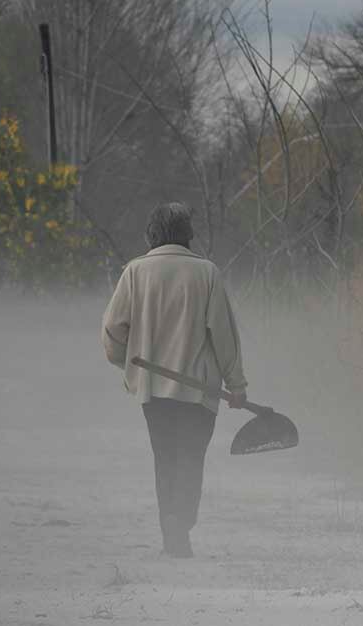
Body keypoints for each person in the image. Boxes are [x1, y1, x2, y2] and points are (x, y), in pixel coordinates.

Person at [101, 202, 248, 558]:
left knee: (165, 457)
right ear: (187, 234)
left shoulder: (135, 272)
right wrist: (237, 383)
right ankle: (181, 523)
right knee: (191, 458)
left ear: (152, 234)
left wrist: (129, 366)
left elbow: (112, 331)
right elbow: (223, 335)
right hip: (200, 391)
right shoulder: (207, 273)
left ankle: (171, 527)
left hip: (154, 391)